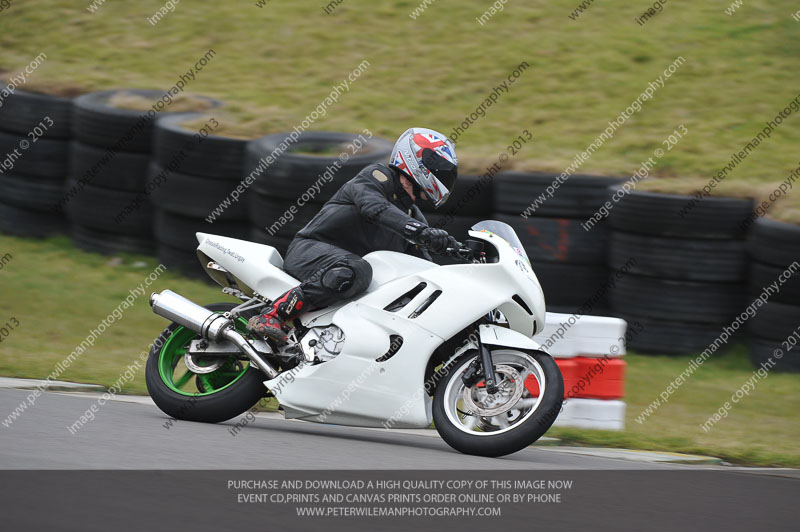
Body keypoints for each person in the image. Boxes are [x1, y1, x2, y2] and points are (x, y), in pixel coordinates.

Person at [247, 127, 460, 344]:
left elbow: (426, 272)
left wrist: (453, 256)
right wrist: (421, 232)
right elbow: (374, 207)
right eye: (441, 169)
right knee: (357, 269)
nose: (444, 175)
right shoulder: (376, 177)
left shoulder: (412, 216)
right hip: (311, 253)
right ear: (419, 161)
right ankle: (271, 315)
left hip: (350, 278)